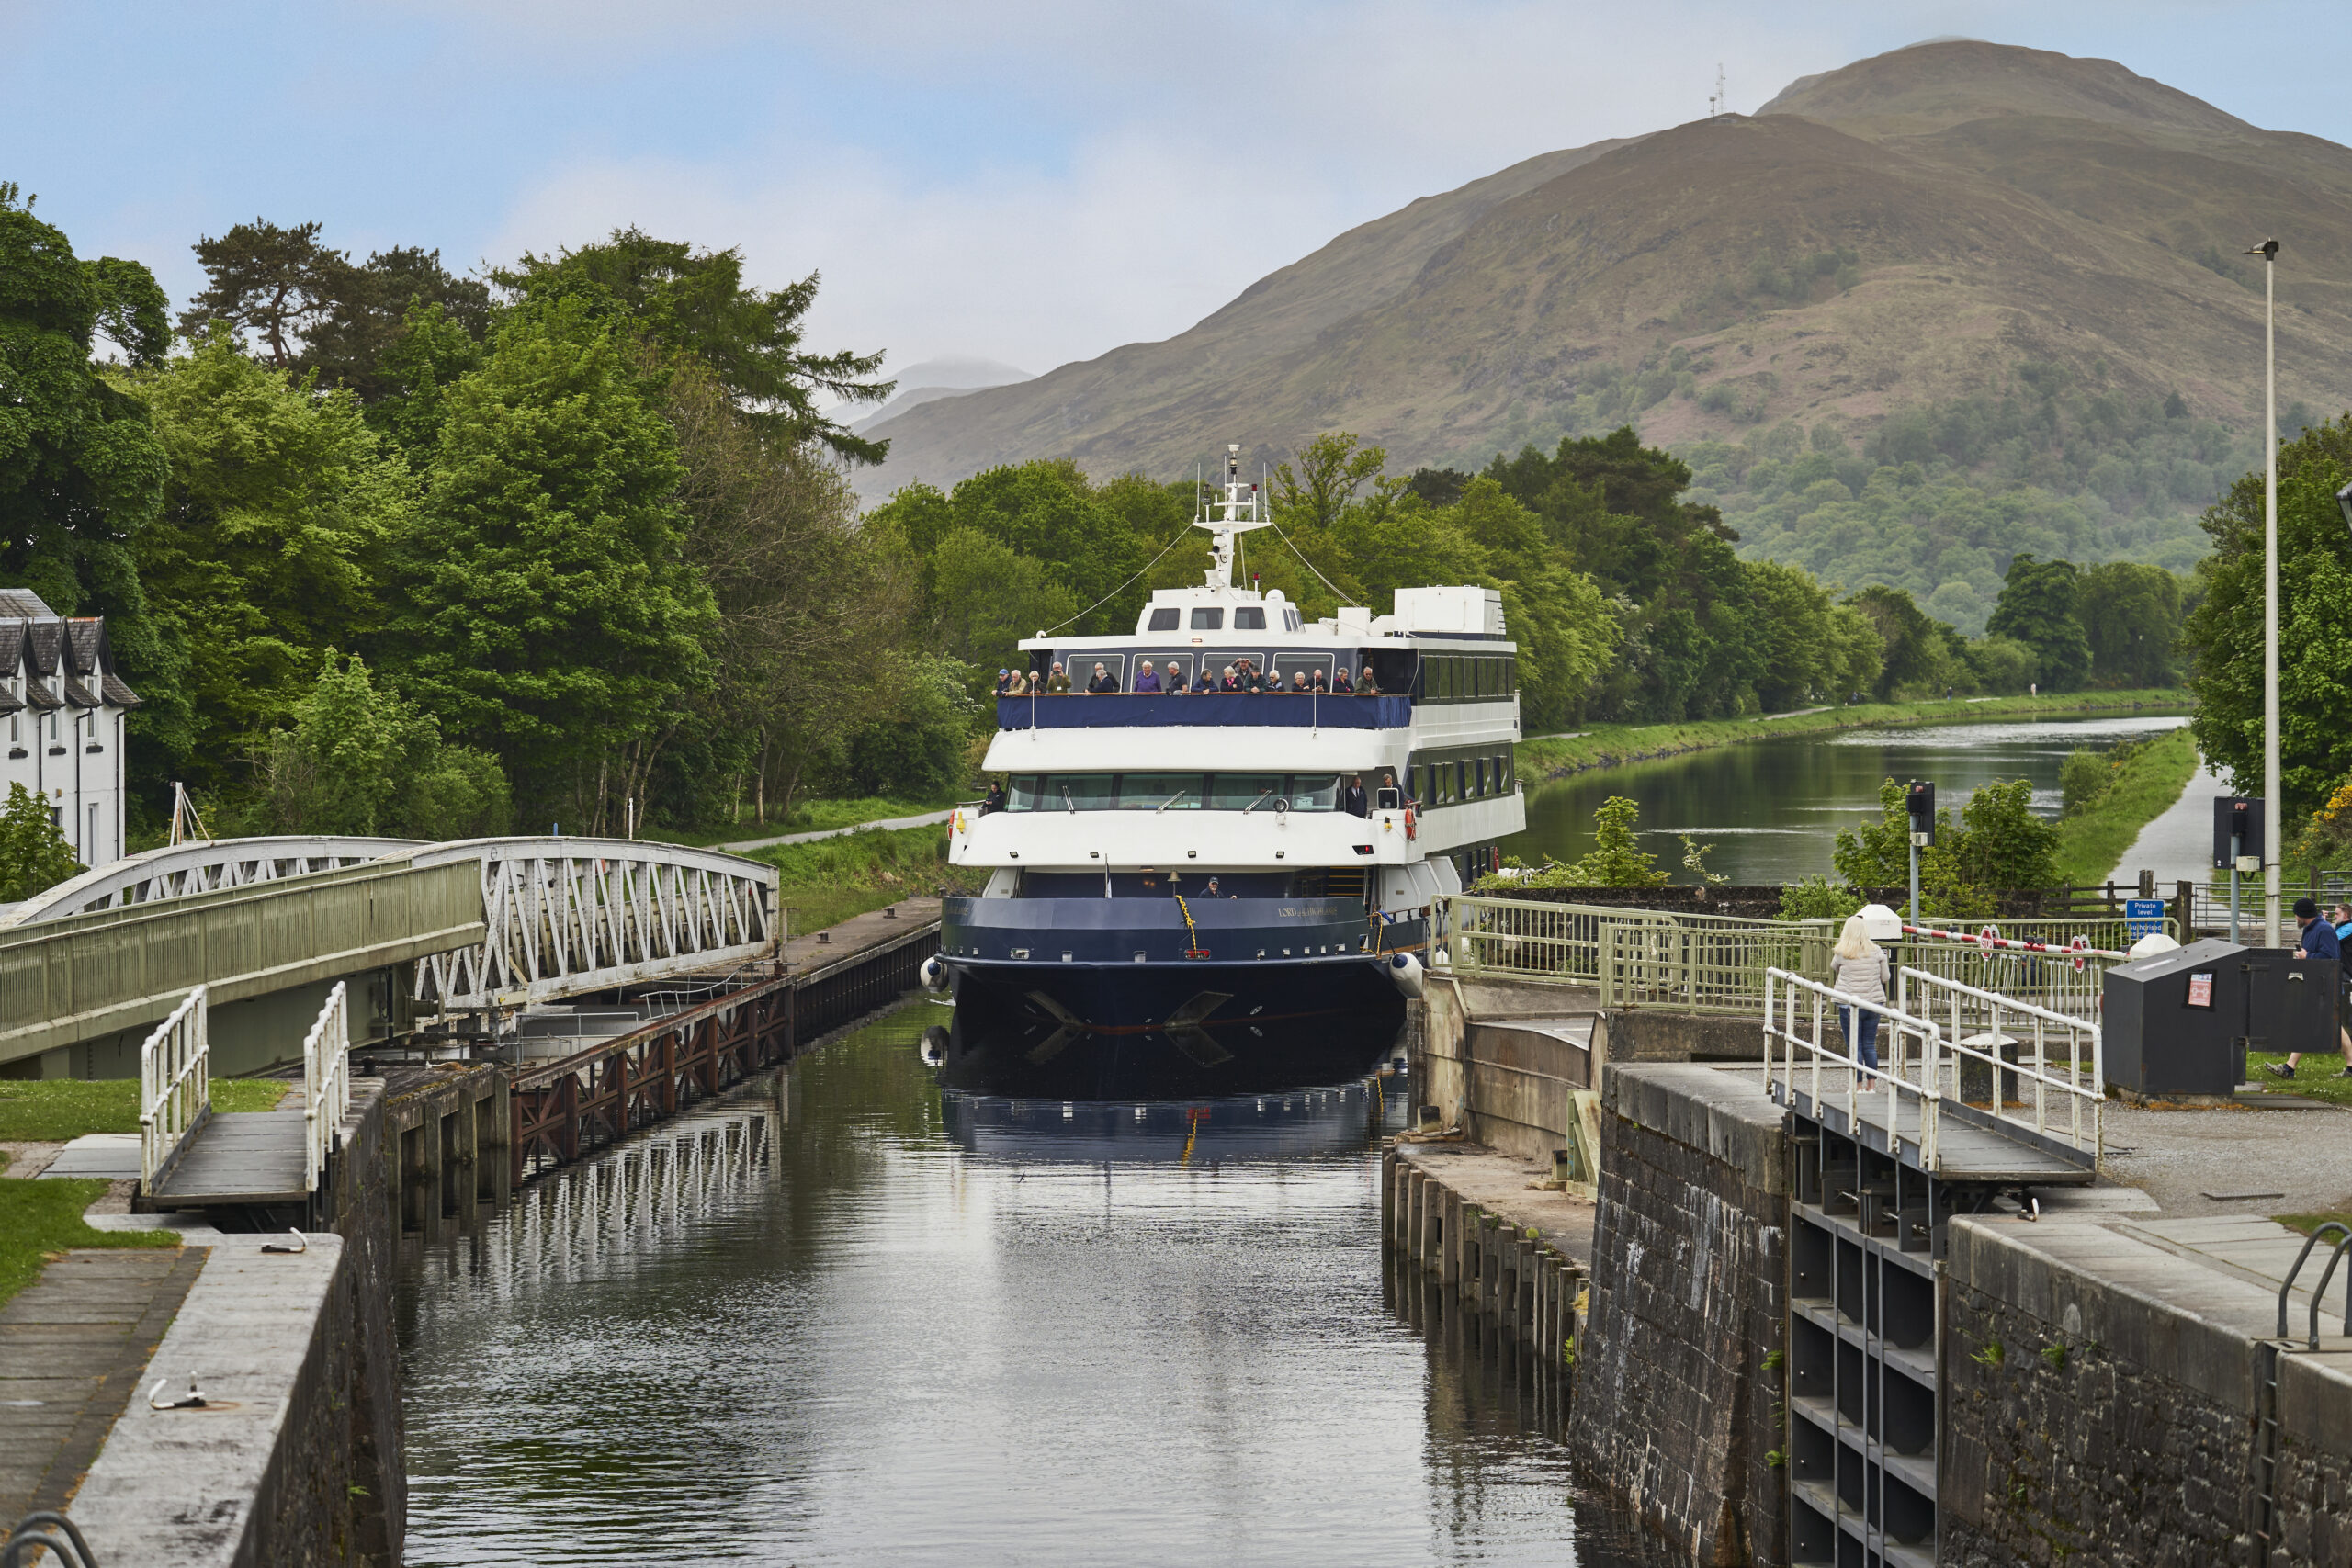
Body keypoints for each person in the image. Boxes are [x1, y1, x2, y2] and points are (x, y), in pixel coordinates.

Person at [2268, 897, 2352, 1078]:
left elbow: (2332, 958)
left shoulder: (2323, 930)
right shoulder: (2312, 929)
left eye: (2296, 915)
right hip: (2318, 984)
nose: (2295, 918)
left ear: (2302, 914)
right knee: (2334, 1025)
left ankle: (2289, 1068)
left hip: (2326, 986)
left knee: (2307, 1023)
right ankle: (2351, 1067)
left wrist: (2308, 957)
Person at [1827, 914, 1890, 1089]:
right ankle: (1872, 1086)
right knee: (1870, 1045)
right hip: (1873, 1004)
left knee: (1855, 1046)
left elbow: (1833, 967)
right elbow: (1885, 977)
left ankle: (1857, 1086)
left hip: (1849, 1005)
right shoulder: (1877, 951)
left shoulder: (1842, 952)